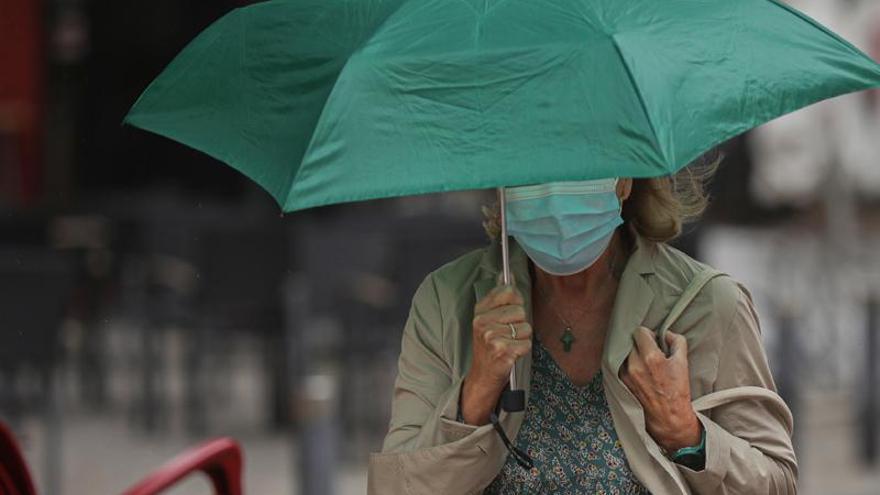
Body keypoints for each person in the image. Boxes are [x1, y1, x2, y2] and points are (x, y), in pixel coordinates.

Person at [368, 166, 798, 494]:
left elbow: (776, 482)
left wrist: (687, 433)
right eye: (534, 167)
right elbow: (396, 486)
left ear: (625, 180)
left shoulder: (707, 304)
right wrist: (474, 396)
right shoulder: (448, 302)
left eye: (580, 161)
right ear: (502, 186)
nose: (556, 190)